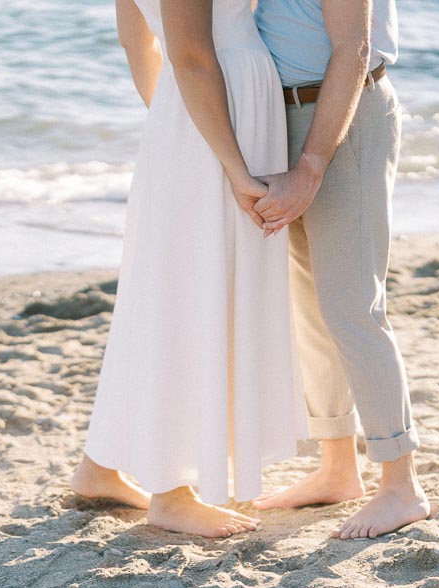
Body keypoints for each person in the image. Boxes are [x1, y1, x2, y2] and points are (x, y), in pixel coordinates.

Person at [70, 0, 304, 538]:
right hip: (221, 109)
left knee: (167, 288)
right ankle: (172, 494)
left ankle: (99, 467)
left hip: (196, 113)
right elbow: (193, 55)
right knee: (189, 294)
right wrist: (230, 164)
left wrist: (173, 124)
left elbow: (138, 42)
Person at [250, 0, 432, 540]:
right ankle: (337, 468)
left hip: (342, 115)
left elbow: (353, 47)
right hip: (277, 117)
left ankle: (402, 486)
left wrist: (309, 166)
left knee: (353, 306)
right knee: (312, 307)